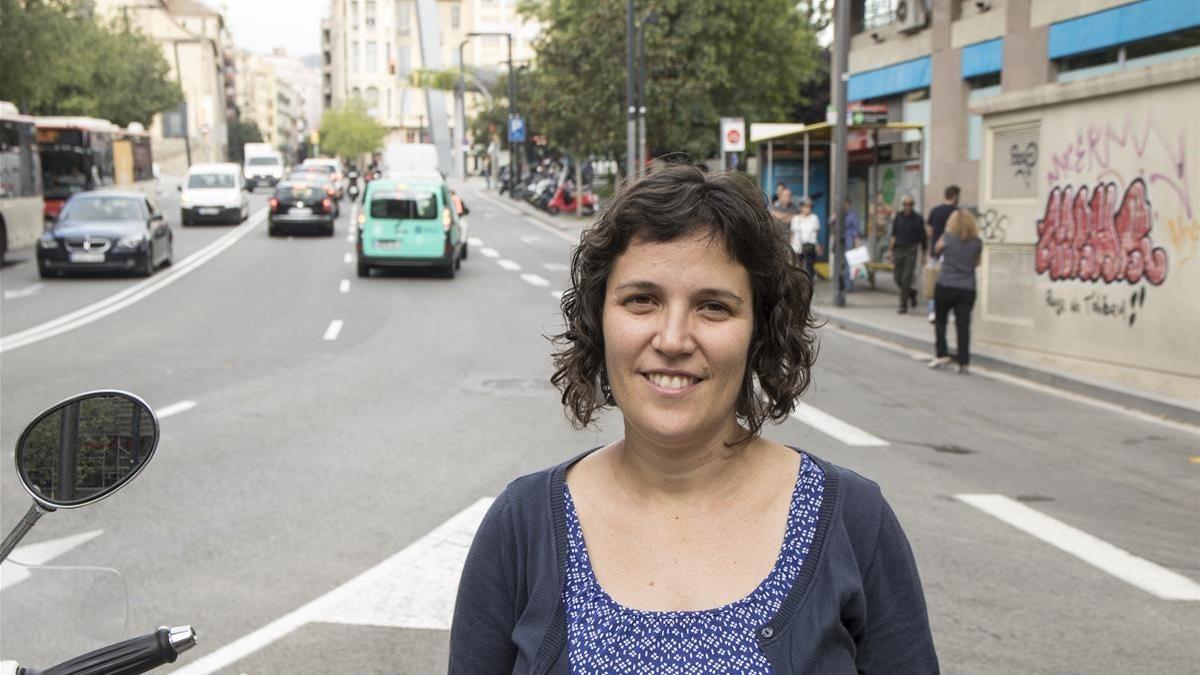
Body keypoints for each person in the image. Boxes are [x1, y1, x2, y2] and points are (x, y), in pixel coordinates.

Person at [449, 164, 939, 673]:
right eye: (642, 300)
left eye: (713, 307)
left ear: (759, 331)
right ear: (599, 318)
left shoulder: (854, 523)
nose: (674, 339)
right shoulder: (522, 528)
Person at [929, 209, 983, 374]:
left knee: (941, 321)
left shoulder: (946, 239)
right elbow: (977, 263)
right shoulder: (977, 243)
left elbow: (936, 250)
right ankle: (963, 361)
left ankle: (942, 354)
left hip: (946, 284)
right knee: (963, 325)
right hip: (967, 287)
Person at [924, 185, 960, 322]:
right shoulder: (957, 213)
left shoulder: (935, 211)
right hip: (951, 254)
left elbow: (930, 232)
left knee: (933, 282)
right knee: (950, 283)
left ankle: (932, 312)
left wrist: (929, 250)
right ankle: (950, 313)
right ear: (955, 196)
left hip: (935, 252)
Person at [887, 195, 927, 313]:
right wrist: (890, 250)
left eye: (910, 204)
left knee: (906, 278)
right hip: (898, 250)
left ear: (913, 205)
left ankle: (903, 305)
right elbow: (893, 235)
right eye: (905, 204)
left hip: (911, 250)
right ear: (903, 205)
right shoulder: (898, 217)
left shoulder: (917, 218)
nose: (907, 207)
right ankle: (912, 293)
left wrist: (923, 254)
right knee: (897, 278)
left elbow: (923, 237)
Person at [790, 196, 822, 279]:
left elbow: (816, 233)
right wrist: (790, 247)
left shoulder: (814, 218)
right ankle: (799, 283)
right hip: (797, 246)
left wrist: (818, 245)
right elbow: (792, 233)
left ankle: (809, 283)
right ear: (801, 207)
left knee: (810, 266)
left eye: (809, 207)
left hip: (809, 246)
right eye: (805, 206)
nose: (807, 209)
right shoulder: (795, 218)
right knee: (798, 267)